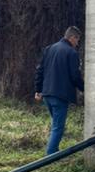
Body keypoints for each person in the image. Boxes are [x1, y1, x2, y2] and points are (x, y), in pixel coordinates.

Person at [34, 26, 84, 155]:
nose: (77, 43)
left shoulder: (50, 49)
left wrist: (38, 90)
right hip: (60, 96)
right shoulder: (71, 53)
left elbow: (40, 70)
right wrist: (84, 89)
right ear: (72, 38)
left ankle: (54, 151)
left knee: (56, 124)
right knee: (58, 128)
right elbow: (75, 75)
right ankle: (50, 156)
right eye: (77, 40)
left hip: (47, 95)